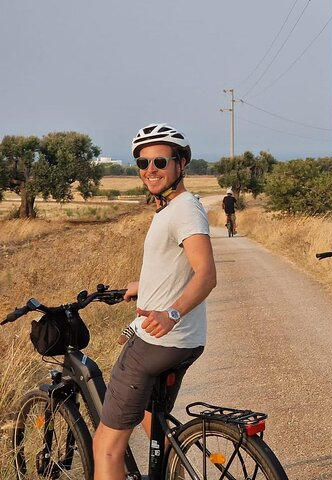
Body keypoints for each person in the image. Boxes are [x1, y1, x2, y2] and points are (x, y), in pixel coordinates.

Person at [93, 123, 217, 479]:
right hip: (185, 342)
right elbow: (180, 266)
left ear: (181, 164)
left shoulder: (183, 210)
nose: (150, 170)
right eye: (142, 163)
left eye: (160, 161)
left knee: (106, 447)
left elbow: (206, 274)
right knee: (153, 422)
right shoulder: (171, 209)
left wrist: (171, 313)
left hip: (157, 341)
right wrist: (143, 286)